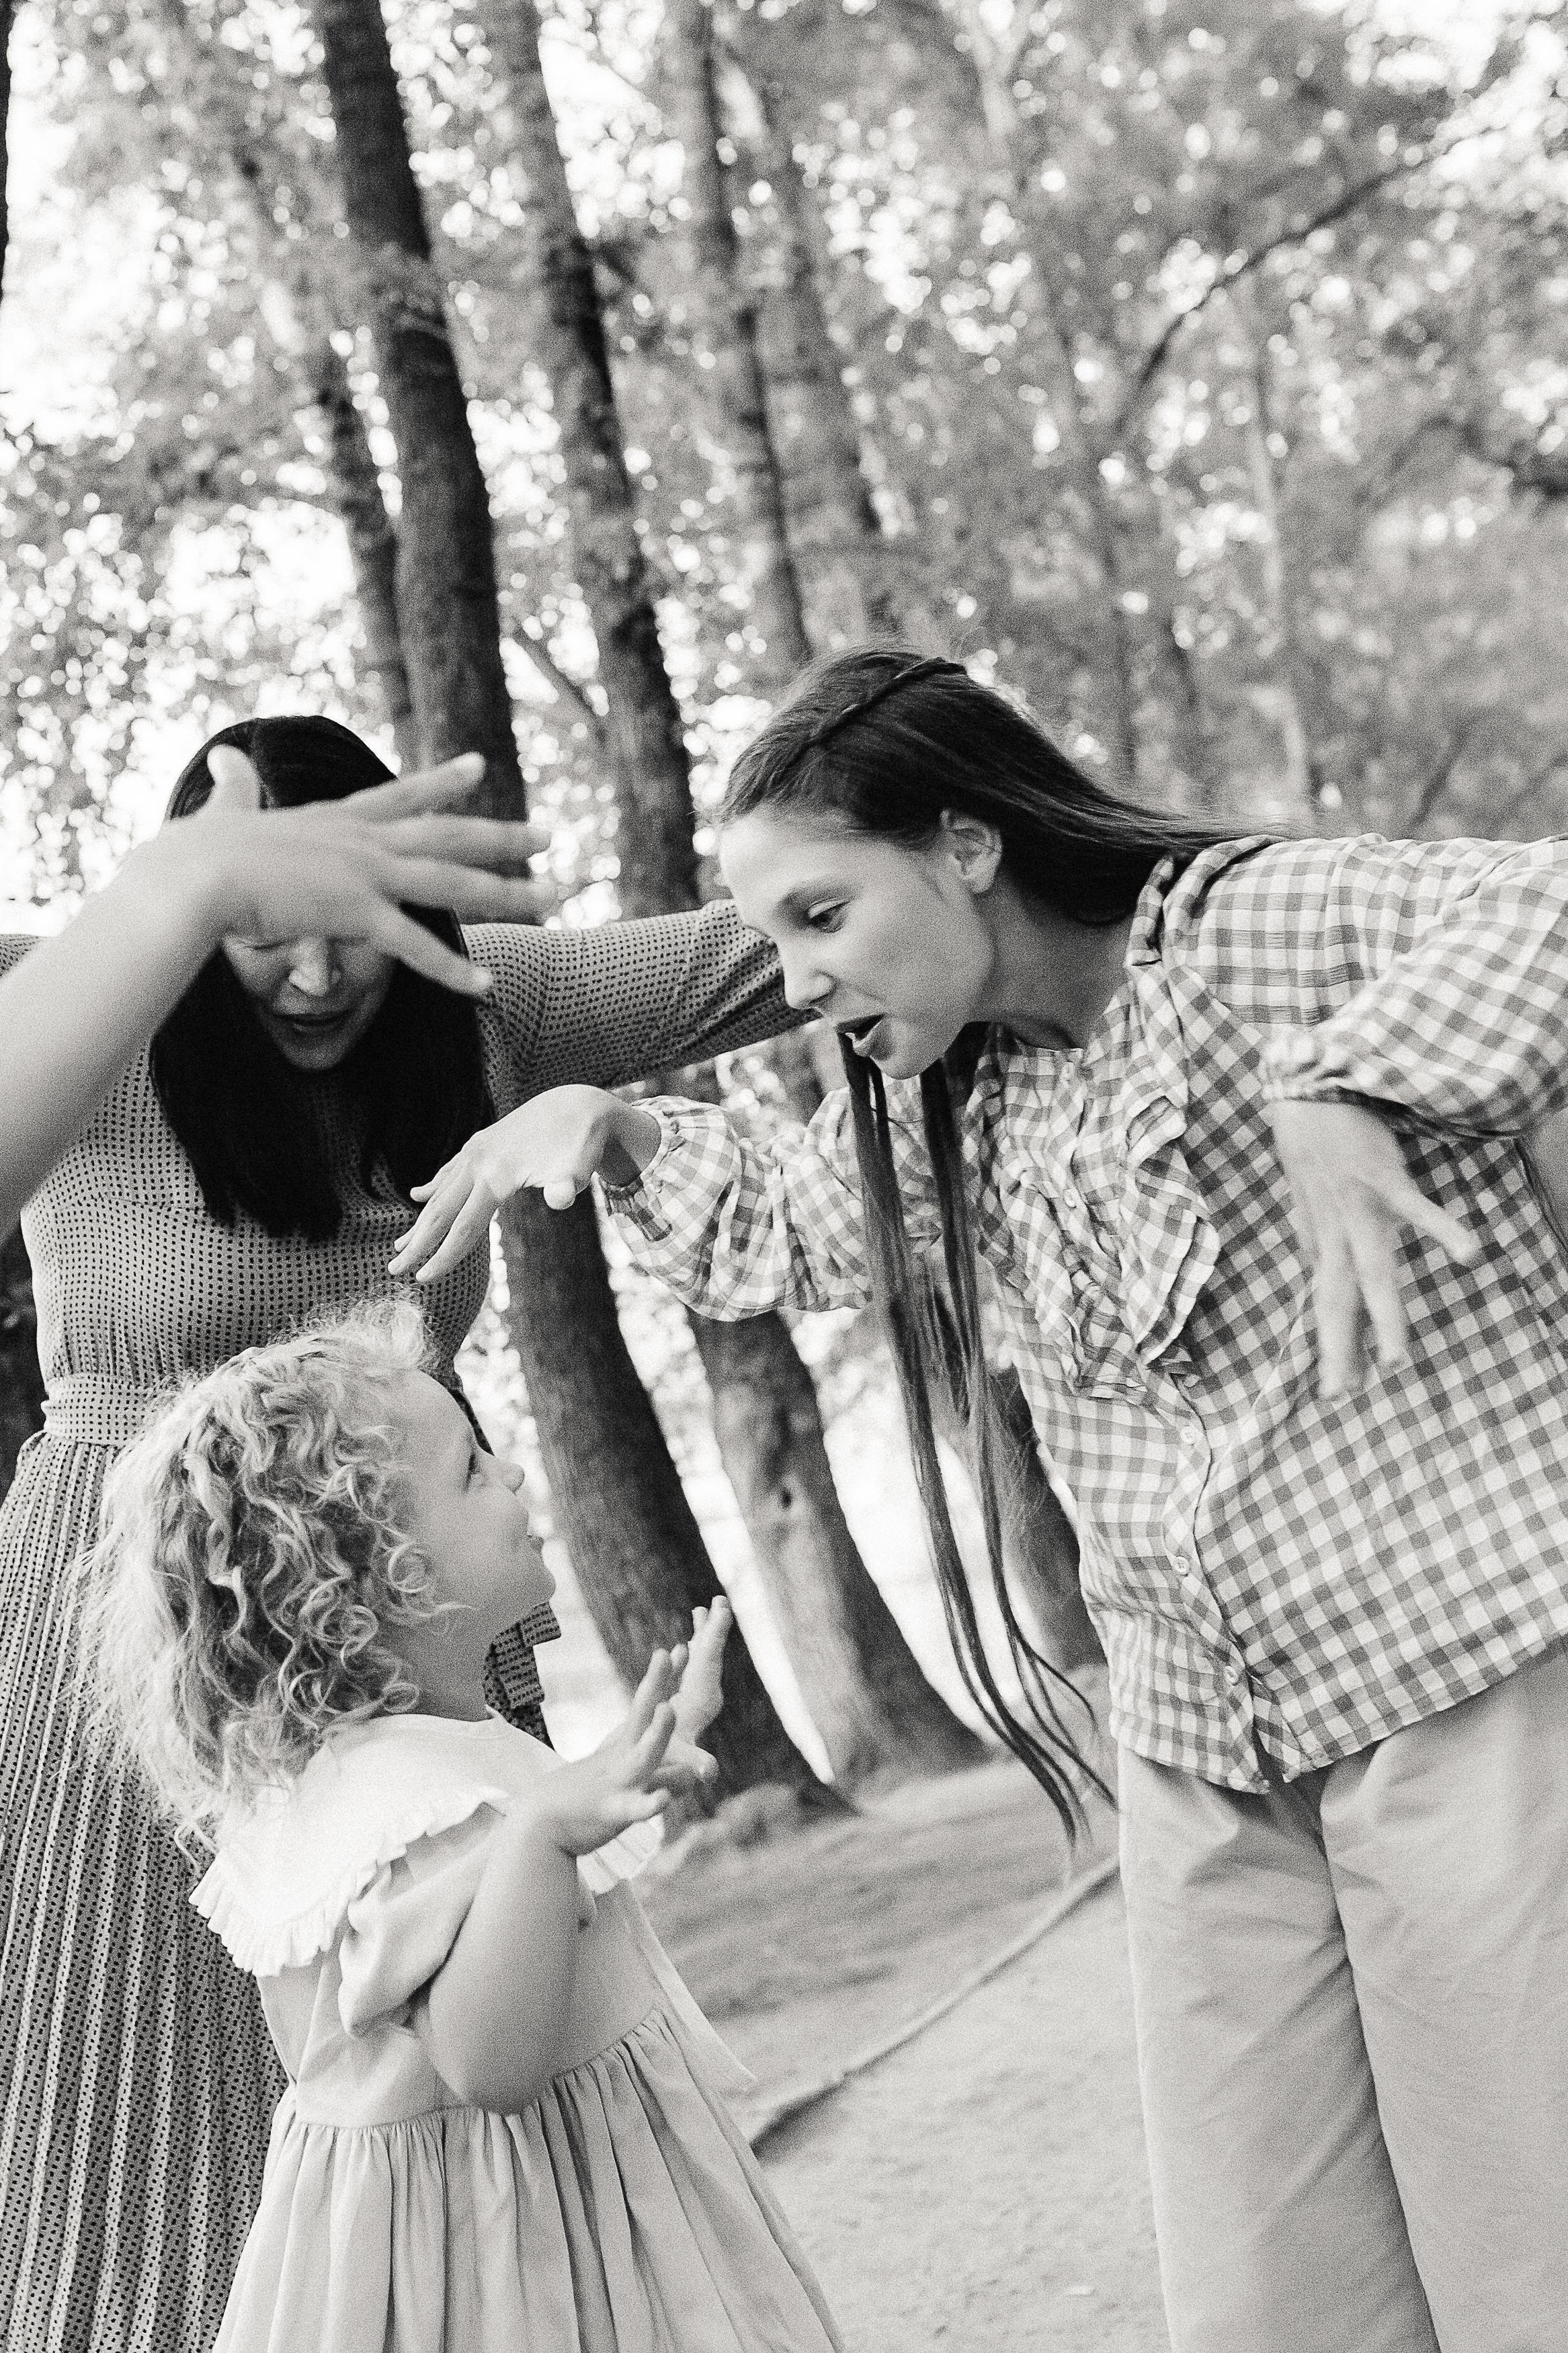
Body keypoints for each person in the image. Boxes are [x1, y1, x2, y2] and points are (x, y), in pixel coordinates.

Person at [394, 647, 1568, 2353]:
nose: (797, 981)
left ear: (966, 844)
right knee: (1269, 2293)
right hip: (1204, 1752)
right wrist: (616, 1129)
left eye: (819, 915)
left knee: (1532, 2245)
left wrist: (1344, 1073)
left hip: (1462, 1696)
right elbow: (799, 1224)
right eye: (779, 941)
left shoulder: (1253, 929)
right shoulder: (954, 1089)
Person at [0, 715, 795, 2353]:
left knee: (453, 2106)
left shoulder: (488, 998)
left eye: (341, 921)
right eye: (257, 924)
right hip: (146, 1677)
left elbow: (780, 944)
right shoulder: (96, 991)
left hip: (417, 1643)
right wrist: (179, 886)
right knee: (125, 2152)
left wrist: (1134, 865)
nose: (306, 976)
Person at [77, 1302, 843, 2353]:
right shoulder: (387, 1807)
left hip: (564, 2212)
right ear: (372, 1569)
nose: (518, 1475)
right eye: (474, 1472)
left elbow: (516, 1839)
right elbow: (491, 2060)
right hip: (501, 2264)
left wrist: (627, 1759)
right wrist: (543, 1837)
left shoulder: (431, 1754)